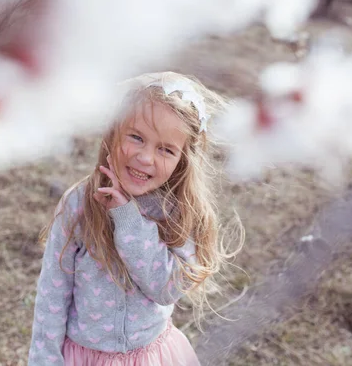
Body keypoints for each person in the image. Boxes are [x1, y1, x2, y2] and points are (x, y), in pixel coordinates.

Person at [28, 71, 238, 365]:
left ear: (182, 159)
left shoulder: (176, 210)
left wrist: (126, 217)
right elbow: (53, 292)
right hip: (85, 357)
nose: (145, 157)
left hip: (150, 356)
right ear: (113, 132)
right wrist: (45, 359)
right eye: (136, 137)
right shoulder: (78, 203)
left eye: (165, 149)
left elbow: (166, 288)